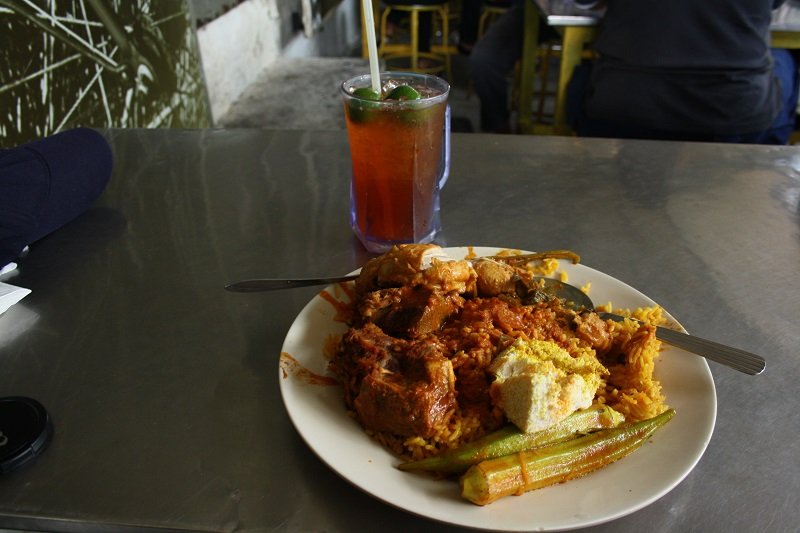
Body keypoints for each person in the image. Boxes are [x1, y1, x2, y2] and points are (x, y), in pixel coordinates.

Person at [569, 0, 799, 144]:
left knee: (584, 76)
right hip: (735, 110)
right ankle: (772, 161)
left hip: (628, 104)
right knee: (784, 58)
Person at [469, 0, 557, 132]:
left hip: (595, 17)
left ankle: (584, 136)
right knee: (485, 59)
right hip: (533, 10)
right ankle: (498, 132)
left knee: (592, 76)